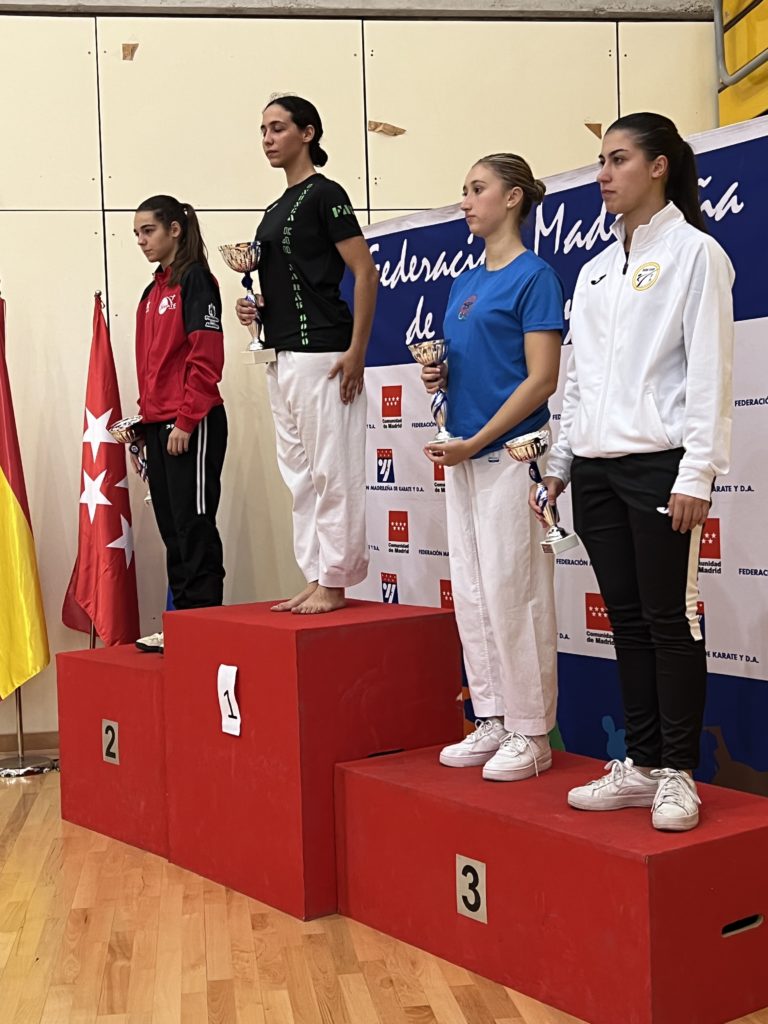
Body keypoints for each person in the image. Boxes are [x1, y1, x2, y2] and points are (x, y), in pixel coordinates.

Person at [535, 113, 735, 830]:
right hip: (593, 471)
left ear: (658, 166)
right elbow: (579, 380)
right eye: (600, 160)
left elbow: (711, 371)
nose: (603, 174)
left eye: (618, 159)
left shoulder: (695, 253)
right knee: (626, 622)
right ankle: (644, 763)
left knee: (668, 621)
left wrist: (697, 473)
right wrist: (558, 466)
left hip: (661, 467)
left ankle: (679, 771)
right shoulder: (593, 270)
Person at [421, 153, 564, 782]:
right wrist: (439, 376)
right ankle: (492, 716)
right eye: (464, 189)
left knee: (516, 591)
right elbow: (472, 367)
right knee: (474, 590)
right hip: (464, 453)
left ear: (512, 198)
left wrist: (478, 437)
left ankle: (532, 731)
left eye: (477, 189)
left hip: (512, 455)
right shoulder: (463, 282)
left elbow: (541, 379)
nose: (465, 200)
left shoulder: (535, 277)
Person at [236, 94, 378, 615]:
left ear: (308, 133)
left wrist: (357, 350)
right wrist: (255, 308)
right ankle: (317, 575)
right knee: (299, 475)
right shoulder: (273, 211)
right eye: (263, 130)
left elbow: (364, 272)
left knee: (331, 472)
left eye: (278, 128)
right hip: (282, 355)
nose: (268, 139)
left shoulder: (326, 194)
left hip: (325, 352)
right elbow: (287, 283)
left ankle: (336, 581)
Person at [132, 195, 227, 653]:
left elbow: (206, 358)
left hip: (193, 422)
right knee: (172, 529)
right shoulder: (151, 293)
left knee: (194, 525)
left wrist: (186, 421)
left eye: (148, 230)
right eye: (136, 234)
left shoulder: (195, 281)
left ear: (174, 229)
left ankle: (201, 626)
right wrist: (144, 420)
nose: (141, 241)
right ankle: (181, 628)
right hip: (159, 426)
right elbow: (153, 367)